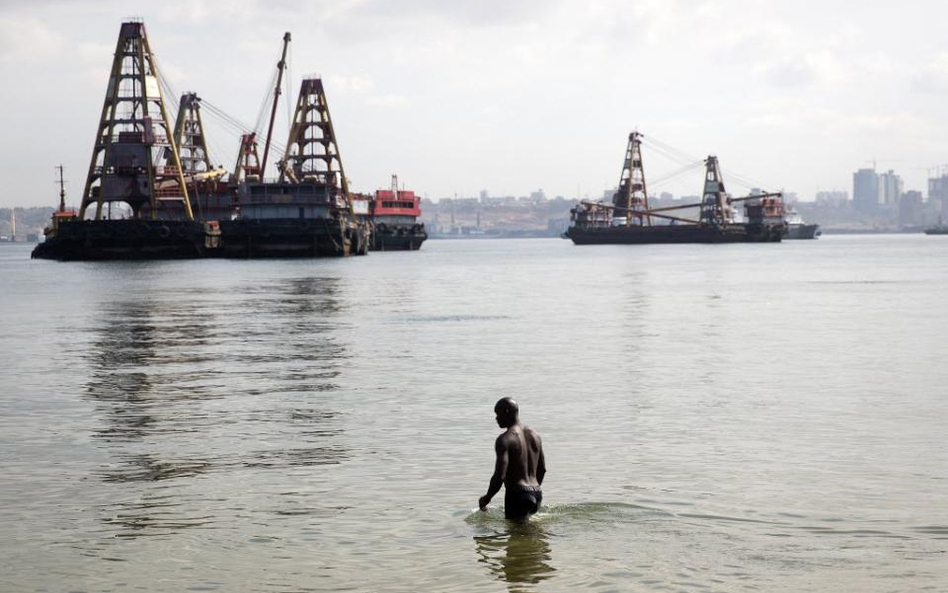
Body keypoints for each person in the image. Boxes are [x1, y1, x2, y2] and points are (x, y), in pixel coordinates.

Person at [479, 397, 546, 521]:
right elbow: (542, 469)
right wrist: (531, 494)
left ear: (507, 412)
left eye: (498, 414)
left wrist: (487, 498)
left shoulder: (505, 439)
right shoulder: (535, 435)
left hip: (517, 494)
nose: (496, 418)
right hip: (537, 493)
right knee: (529, 535)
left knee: (515, 535)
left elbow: (500, 475)